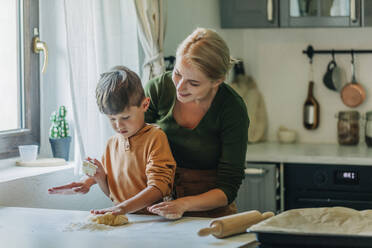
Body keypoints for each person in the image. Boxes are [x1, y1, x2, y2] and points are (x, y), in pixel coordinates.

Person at [145, 27, 249, 218]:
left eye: (193, 83)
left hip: (212, 213)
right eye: (177, 73)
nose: (180, 86)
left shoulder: (232, 109)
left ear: (217, 81)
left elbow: (228, 188)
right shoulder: (157, 90)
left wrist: (183, 204)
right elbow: (133, 149)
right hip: (157, 207)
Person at [48, 66, 177, 215]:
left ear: (145, 105)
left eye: (125, 117)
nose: (118, 125)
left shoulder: (155, 137)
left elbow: (158, 188)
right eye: (112, 119)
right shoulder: (112, 143)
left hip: (156, 220)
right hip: (127, 218)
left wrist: (122, 208)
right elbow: (110, 188)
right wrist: (87, 181)